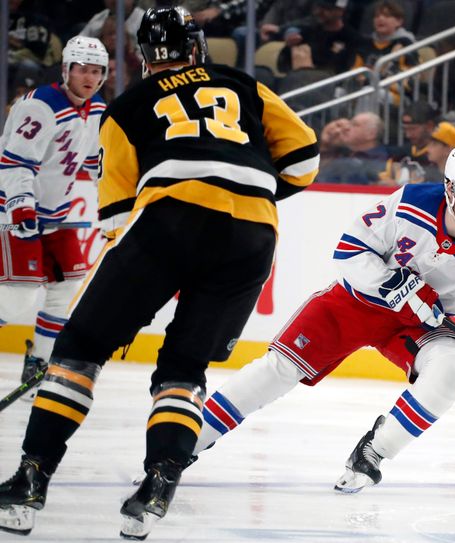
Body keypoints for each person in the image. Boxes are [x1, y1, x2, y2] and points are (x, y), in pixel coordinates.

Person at [0, 6, 319, 540]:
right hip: (254, 234)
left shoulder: (126, 106)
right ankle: (157, 487)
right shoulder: (242, 84)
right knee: (184, 368)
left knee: (79, 347)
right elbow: (305, 159)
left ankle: (31, 479)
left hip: (169, 219)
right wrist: (250, 186)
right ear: (197, 47)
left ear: (144, 57)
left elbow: (117, 215)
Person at [194, 144, 455, 495]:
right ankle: (187, 440)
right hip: (355, 304)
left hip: (417, 328)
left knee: (452, 367)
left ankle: (373, 452)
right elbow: (349, 250)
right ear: (450, 187)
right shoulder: (410, 202)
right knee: (277, 370)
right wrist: (398, 285)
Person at [0, 36, 108, 400]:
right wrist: (21, 206)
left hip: (57, 217)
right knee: (17, 299)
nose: (89, 78)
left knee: (64, 292)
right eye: (83, 69)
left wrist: (120, 203)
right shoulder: (40, 106)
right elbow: (15, 161)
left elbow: (96, 166)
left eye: (97, 71)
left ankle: (39, 365)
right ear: (66, 70)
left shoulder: (96, 110)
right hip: (14, 212)